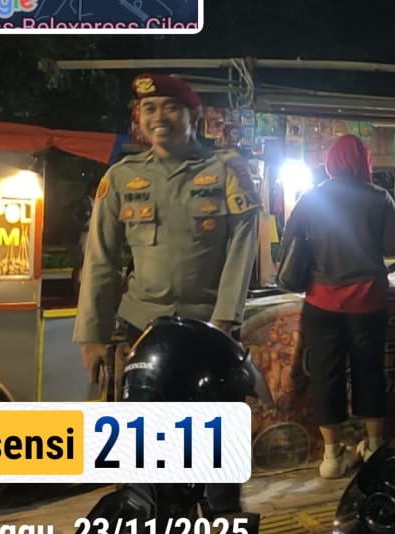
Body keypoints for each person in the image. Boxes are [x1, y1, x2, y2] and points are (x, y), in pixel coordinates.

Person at [75, 74, 260, 388]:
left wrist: (223, 321)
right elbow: (100, 260)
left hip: (210, 326)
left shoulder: (227, 170)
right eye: (149, 109)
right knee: (147, 417)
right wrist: (92, 337)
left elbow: (242, 248)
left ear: (194, 114)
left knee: (210, 416)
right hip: (142, 328)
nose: (159, 117)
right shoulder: (121, 177)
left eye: (171, 107)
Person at [285, 135, 395, 478]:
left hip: (322, 301)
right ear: (364, 161)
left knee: (326, 374)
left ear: (331, 162)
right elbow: (393, 247)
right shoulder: (379, 197)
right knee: (370, 370)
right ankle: (375, 445)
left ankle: (332, 457)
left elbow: (290, 241)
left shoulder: (311, 197)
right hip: (368, 300)